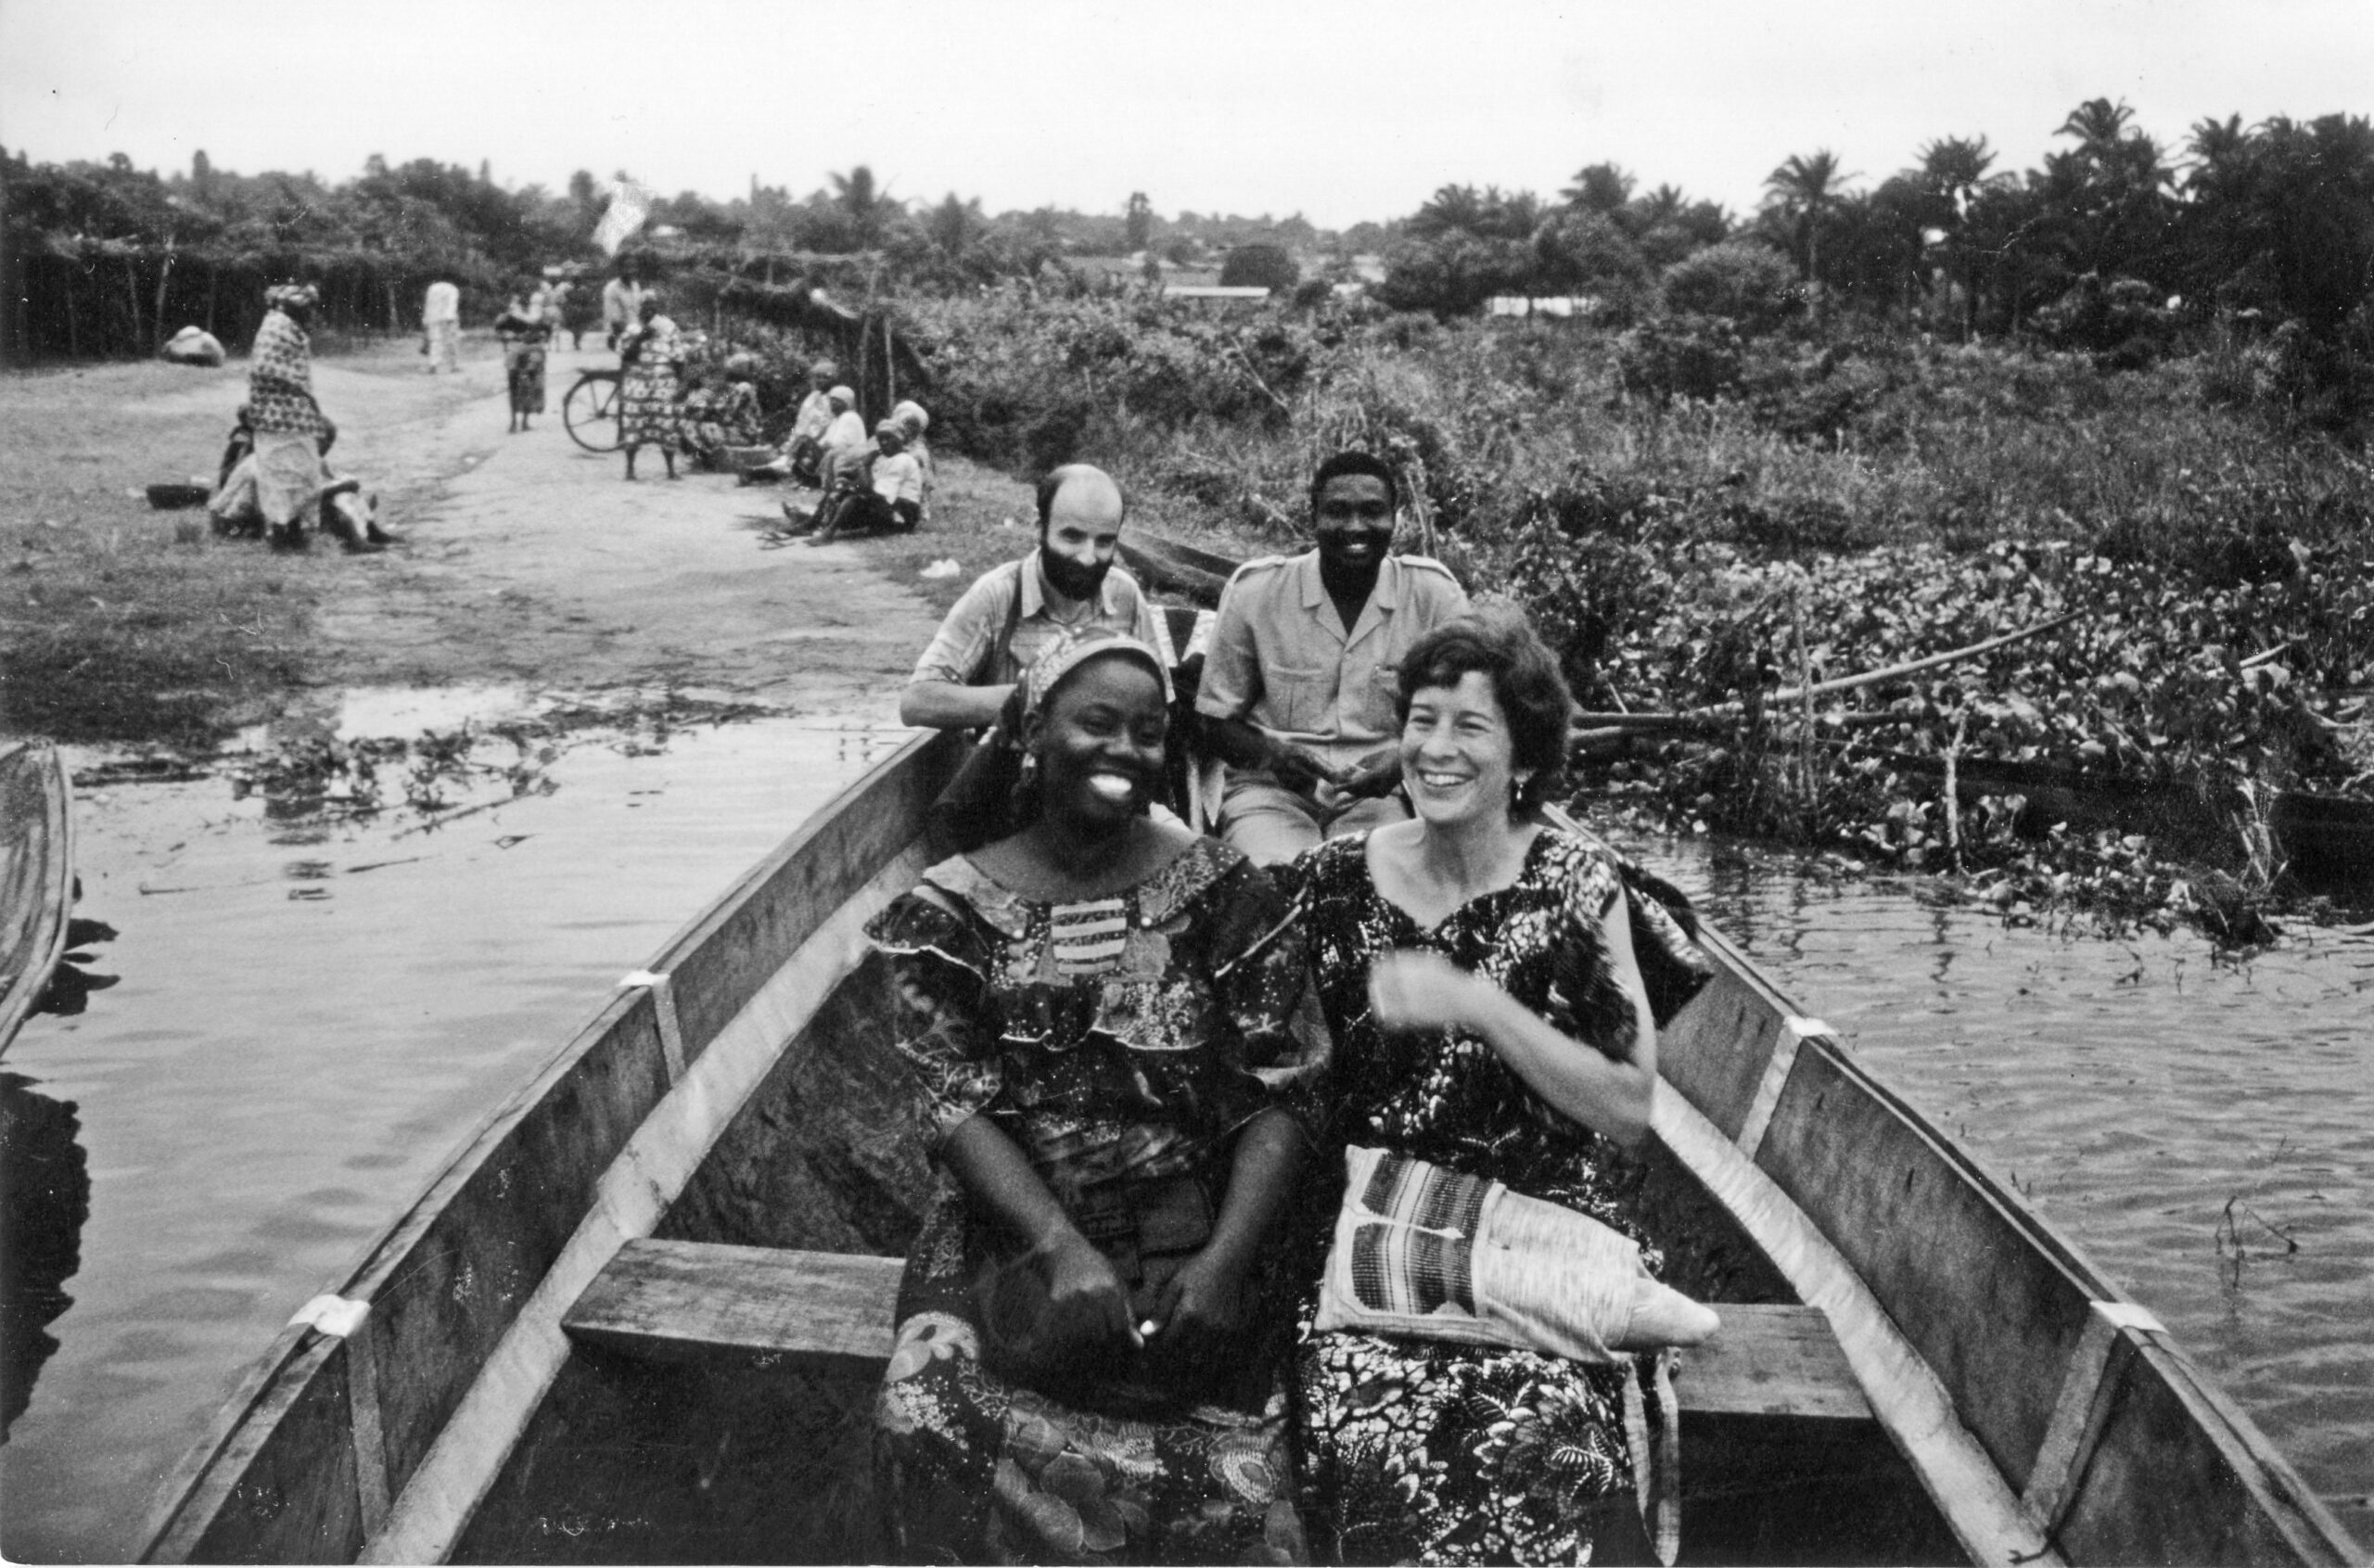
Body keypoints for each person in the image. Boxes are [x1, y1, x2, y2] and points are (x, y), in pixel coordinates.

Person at [868, 631, 1321, 1564]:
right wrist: (1058, 1247)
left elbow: (1288, 1087)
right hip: (1016, 1219)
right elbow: (954, 1104)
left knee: (1274, 1450)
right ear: (1032, 732)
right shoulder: (948, 909)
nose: (1126, 749)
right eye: (1098, 723)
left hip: (1205, 1215)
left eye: (1149, 732)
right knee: (923, 1408)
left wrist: (1225, 1263)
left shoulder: (1223, 888)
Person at [1284, 606, 1713, 1565]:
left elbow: (1627, 1106)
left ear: (1522, 757)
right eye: (1421, 720)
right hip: (1371, 1242)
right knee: (1364, 1423)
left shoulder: (1573, 884)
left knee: (1545, 1432)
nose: (1436, 749)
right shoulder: (1329, 881)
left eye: (1470, 726)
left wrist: (1477, 1004)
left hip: (1534, 1237)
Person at [1196, 451, 1468, 865]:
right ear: (1314, 517)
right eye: (1338, 512)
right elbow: (1213, 721)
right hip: (1270, 794)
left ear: (1395, 519)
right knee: (1275, 880)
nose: (1355, 527)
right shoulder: (1256, 591)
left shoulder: (1433, 595)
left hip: (1379, 798)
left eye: (1372, 511)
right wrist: (1272, 756)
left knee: (1373, 879)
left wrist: (1401, 760)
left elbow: (1466, 710)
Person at [900, 465, 1172, 732]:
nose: (1088, 558)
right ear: (1039, 528)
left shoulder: (1125, 595)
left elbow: (1161, 708)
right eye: (1072, 537)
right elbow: (917, 702)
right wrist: (1042, 697)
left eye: (1104, 542)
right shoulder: (997, 594)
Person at [238, 283, 394, 553]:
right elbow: (266, 369)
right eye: (305, 310)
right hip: (278, 417)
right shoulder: (277, 328)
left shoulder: (286, 328)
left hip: (289, 416)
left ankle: (294, 532)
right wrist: (296, 390)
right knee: (285, 479)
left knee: (302, 475)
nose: (310, 315)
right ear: (290, 308)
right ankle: (284, 535)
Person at [810, 420, 923, 542]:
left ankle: (828, 533)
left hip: (903, 514)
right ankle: (811, 524)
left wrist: (865, 467)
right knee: (841, 492)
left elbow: (874, 492)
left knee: (853, 499)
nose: (884, 442)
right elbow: (868, 486)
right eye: (880, 439)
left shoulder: (903, 460)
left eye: (888, 438)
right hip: (889, 505)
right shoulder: (885, 459)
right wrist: (849, 484)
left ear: (899, 439)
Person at [616, 295, 681, 480]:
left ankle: (671, 470)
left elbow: (679, 357)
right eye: (645, 308)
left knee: (667, 426)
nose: (649, 312)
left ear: (659, 310)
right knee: (634, 426)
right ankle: (630, 469)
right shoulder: (632, 330)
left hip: (663, 385)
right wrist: (641, 337)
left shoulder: (670, 328)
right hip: (637, 385)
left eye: (653, 308)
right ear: (640, 311)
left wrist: (678, 384)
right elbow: (626, 356)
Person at [493, 285, 551, 434]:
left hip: (516, 351)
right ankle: (523, 422)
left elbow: (498, 329)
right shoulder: (537, 313)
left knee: (515, 387)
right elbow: (547, 330)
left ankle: (515, 422)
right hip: (530, 352)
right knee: (528, 386)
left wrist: (508, 337)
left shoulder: (510, 314)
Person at [891, 398, 936, 524]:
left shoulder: (920, 448)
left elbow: (925, 470)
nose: (908, 428)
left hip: (917, 467)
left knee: (922, 476)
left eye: (912, 425)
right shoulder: (897, 439)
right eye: (906, 424)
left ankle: (923, 508)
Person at [601, 261, 646, 351]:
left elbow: (638, 309)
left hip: (635, 329)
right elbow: (614, 318)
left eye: (634, 267)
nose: (631, 271)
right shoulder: (612, 288)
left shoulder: (635, 286)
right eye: (627, 268)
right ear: (620, 270)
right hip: (619, 332)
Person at [422, 278, 461, 373]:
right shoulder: (452, 288)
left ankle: (433, 365)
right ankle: (453, 365)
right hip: (448, 317)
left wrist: (426, 320)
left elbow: (428, 305)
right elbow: (452, 304)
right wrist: (451, 317)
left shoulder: (432, 288)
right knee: (451, 341)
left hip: (433, 317)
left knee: (435, 341)